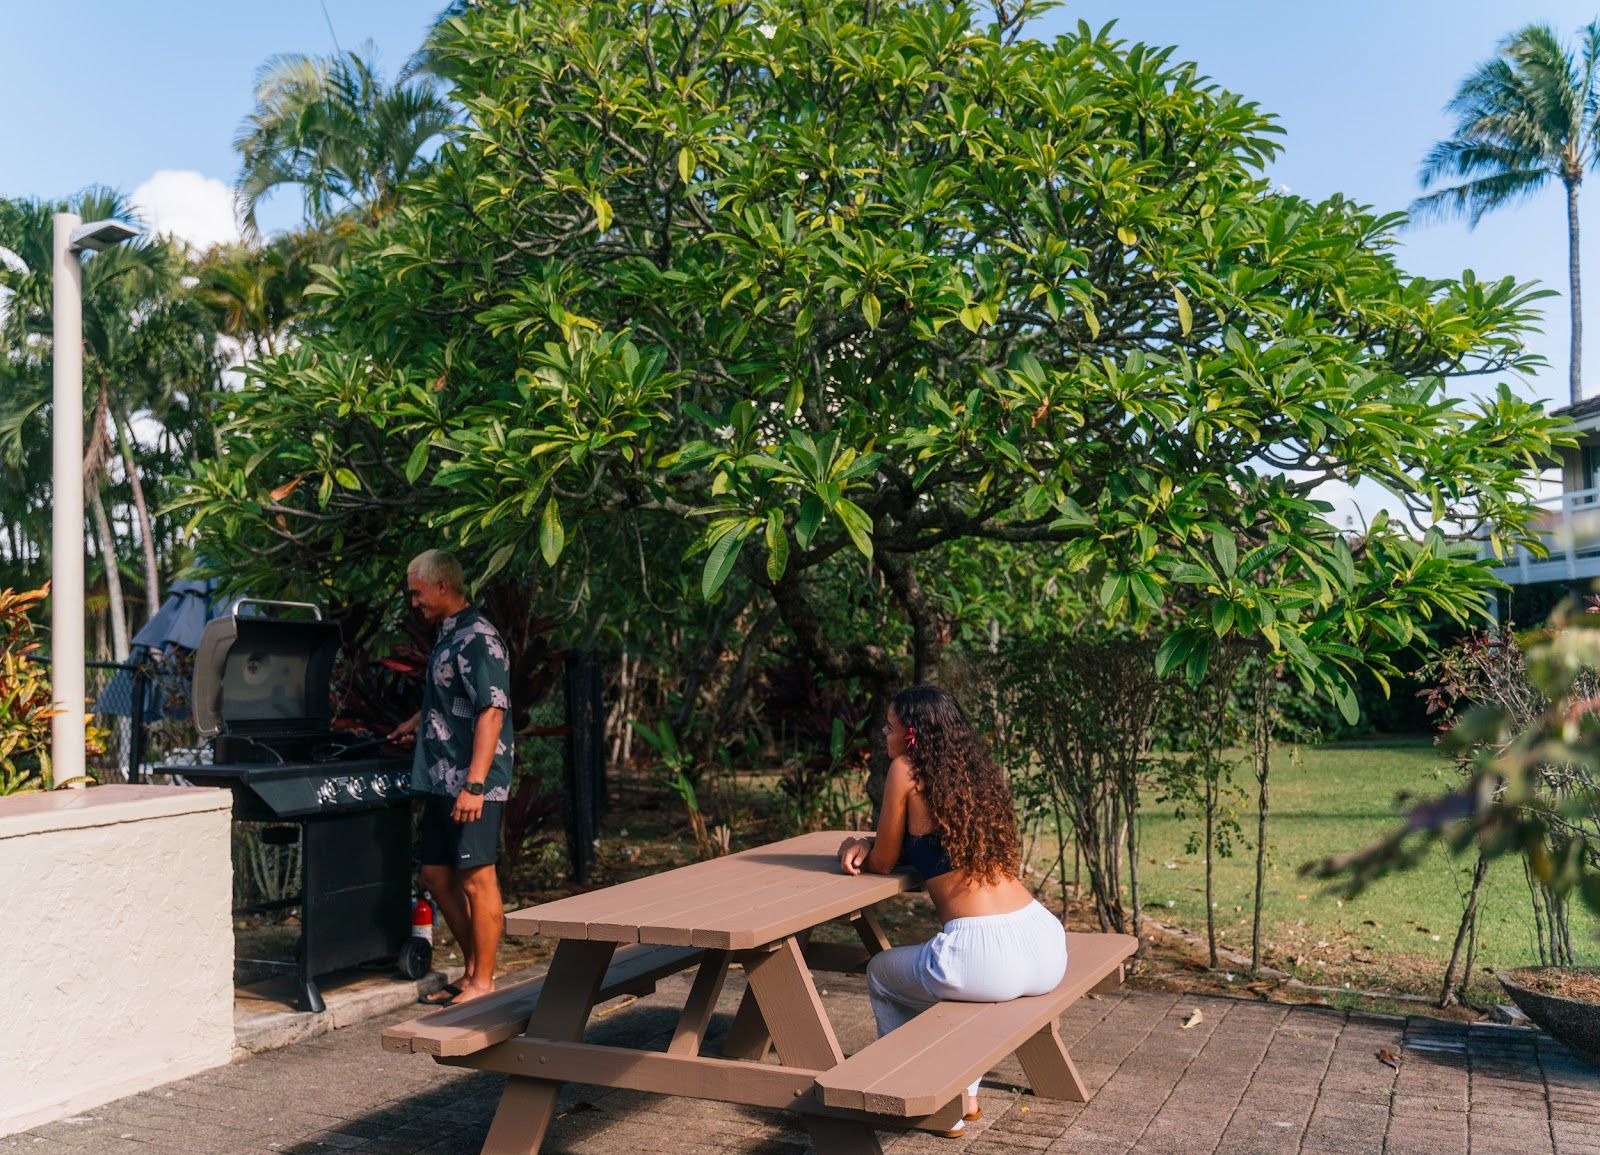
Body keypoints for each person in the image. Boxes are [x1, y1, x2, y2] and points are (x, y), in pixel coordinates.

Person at [838, 685, 1067, 1136]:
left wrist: (857, 843)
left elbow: (882, 862)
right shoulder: (973, 774)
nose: (884, 733)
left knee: (883, 974)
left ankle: (913, 1094)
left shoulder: (905, 769)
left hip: (982, 955)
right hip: (1043, 940)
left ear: (913, 736)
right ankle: (966, 1095)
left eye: (890, 725)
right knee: (960, 994)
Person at [390, 549, 514, 1007]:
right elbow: (455, 697)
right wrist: (418, 722)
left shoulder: (479, 638)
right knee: (437, 876)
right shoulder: (450, 635)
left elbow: (492, 710)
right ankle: (471, 970)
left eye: (418, 593)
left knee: (477, 878)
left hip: (471, 782)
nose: (414, 602)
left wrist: (476, 784)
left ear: (443, 586)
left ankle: (484, 981)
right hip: (442, 779)